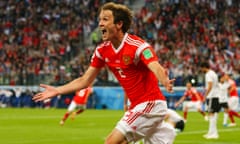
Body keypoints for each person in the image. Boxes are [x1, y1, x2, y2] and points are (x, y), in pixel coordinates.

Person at [33, 2, 176, 144]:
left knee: (111, 142)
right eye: (100, 19)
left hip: (150, 104)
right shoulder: (102, 51)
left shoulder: (137, 46)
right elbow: (85, 80)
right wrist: (58, 90)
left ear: (119, 24)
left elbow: (155, 66)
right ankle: (168, 129)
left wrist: (164, 80)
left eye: (105, 19)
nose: (100, 23)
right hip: (138, 106)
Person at [200, 62, 220, 139]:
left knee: (211, 115)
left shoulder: (208, 74)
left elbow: (210, 85)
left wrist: (205, 95)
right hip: (215, 95)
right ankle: (211, 132)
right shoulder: (214, 73)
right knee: (212, 115)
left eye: (202, 68)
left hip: (211, 96)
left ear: (204, 67)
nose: (201, 70)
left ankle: (214, 133)